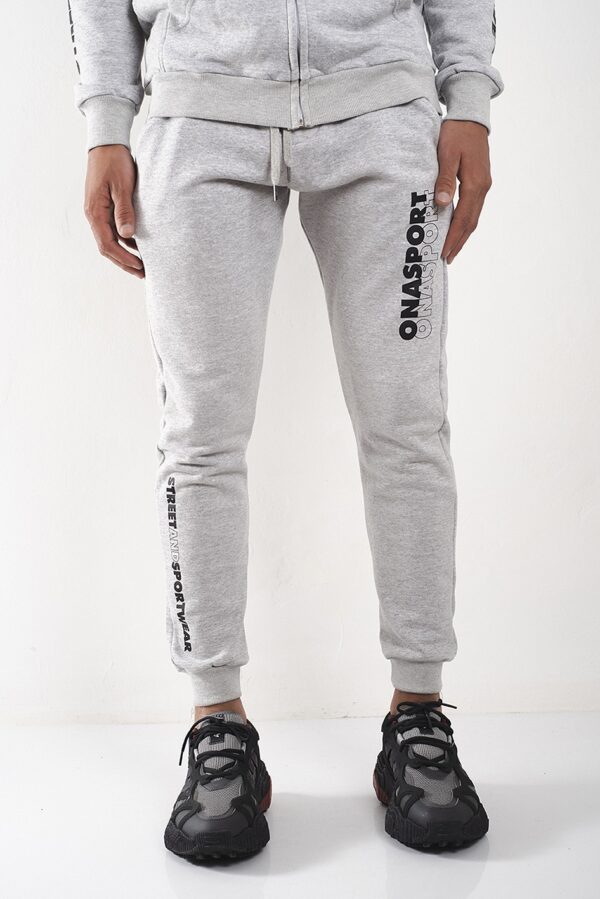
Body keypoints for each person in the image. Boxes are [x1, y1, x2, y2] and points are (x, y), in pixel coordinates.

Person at [68, 0, 503, 858]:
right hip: (198, 112)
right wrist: (104, 122)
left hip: (382, 110)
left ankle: (418, 713)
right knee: (200, 435)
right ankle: (218, 725)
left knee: (406, 423)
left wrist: (469, 99)